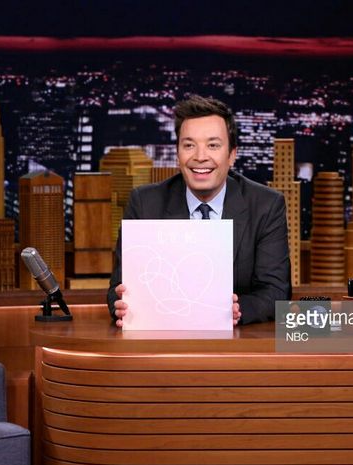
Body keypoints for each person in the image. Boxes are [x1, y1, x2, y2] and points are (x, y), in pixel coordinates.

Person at [107, 94, 291, 326]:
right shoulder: (145, 203)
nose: (200, 157)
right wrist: (121, 304)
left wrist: (234, 310)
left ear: (232, 154)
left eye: (213, 145)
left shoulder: (266, 205)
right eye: (189, 145)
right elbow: (117, 288)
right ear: (178, 154)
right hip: (163, 344)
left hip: (235, 347)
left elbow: (276, 291)